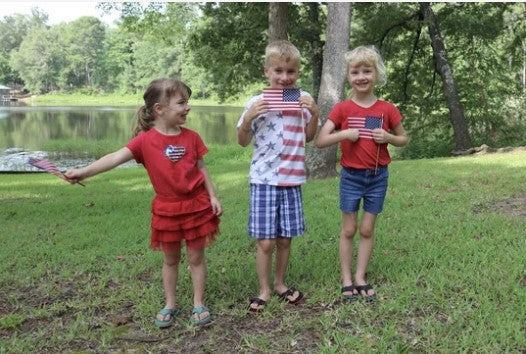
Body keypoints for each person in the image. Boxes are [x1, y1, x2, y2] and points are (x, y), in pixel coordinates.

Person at [65, 78, 222, 327]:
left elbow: (202, 168)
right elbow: (115, 158)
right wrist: (83, 172)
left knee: (196, 259)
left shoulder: (192, 137)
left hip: (196, 206)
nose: (187, 107)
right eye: (181, 102)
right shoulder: (144, 141)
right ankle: (170, 303)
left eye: (187, 102)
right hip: (167, 210)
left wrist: (213, 196)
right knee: (170, 260)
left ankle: (198, 303)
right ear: (159, 109)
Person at [315, 45, 408, 302]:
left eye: (367, 71)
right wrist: (344, 134)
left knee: (367, 229)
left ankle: (360, 277)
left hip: (378, 177)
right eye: (355, 72)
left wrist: (388, 136)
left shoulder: (387, 109)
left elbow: (403, 139)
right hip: (351, 177)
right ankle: (346, 279)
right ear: (349, 76)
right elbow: (321, 140)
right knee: (349, 229)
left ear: (375, 74)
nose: (361, 76)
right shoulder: (343, 109)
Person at [237, 40, 320, 312]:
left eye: (290, 72)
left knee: (285, 239)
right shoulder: (256, 102)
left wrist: (315, 112)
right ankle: (263, 290)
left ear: (297, 72)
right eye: (278, 71)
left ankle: (280, 283)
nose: (284, 78)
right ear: (267, 72)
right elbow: (241, 141)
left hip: (292, 179)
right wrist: (248, 118)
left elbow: (308, 137)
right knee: (266, 240)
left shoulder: (303, 99)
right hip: (263, 180)